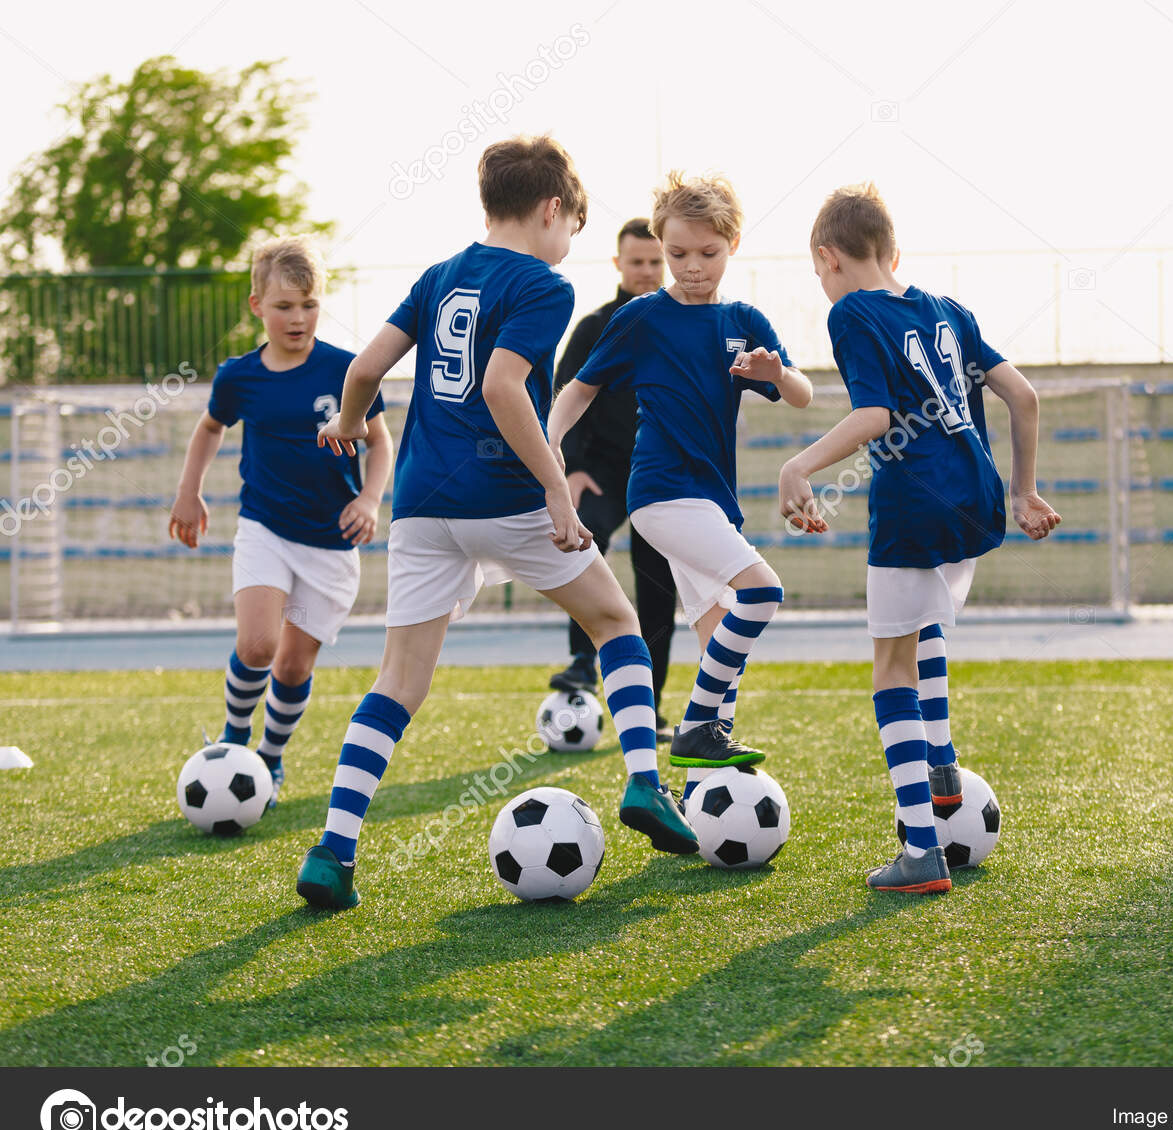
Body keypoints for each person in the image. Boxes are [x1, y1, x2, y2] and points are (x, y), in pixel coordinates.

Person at [295, 136, 697, 911]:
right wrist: (554, 486)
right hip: (506, 497)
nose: (569, 242)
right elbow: (504, 386)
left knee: (400, 681)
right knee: (618, 620)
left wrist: (348, 422)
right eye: (573, 226)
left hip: (420, 506)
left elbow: (364, 371)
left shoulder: (438, 275)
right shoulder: (542, 284)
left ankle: (333, 851)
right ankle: (646, 782)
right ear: (553, 210)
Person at [779, 183, 1061, 893]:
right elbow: (1023, 395)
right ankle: (941, 767)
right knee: (924, 625)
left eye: (818, 272)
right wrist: (1023, 491)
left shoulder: (850, 311)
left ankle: (920, 850)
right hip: (977, 496)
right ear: (892, 250)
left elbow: (875, 414)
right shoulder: (947, 309)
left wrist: (800, 464)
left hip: (915, 500)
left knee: (889, 668)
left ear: (828, 256)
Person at [547, 172, 812, 789]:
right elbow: (582, 384)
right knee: (762, 593)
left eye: (707, 253)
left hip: (713, 500)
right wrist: (551, 439)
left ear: (734, 244)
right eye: (677, 254)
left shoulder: (745, 321)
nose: (692, 267)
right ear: (662, 247)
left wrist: (776, 373)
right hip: (662, 493)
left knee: (718, 635)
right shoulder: (641, 318)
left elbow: (799, 395)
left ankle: (701, 786)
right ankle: (695, 726)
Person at [169, 237, 392, 807]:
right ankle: (234, 739)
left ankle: (269, 760)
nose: (297, 318)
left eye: (309, 304)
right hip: (264, 527)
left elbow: (381, 441)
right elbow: (210, 429)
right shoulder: (239, 376)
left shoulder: (347, 369)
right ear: (256, 307)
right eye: (284, 306)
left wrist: (369, 499)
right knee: (260, 642)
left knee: (293, 666)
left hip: (331, 543)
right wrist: (188, 493)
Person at [548, 218, 677, 743]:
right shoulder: (594, 326)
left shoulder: (680, 322)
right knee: (585, 540)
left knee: (656, 586)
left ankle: (651, 705)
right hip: (599, 468)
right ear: (618, 264)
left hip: (657, 470)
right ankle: (583, 660)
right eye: (637, 262)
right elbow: (563, 393)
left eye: (654, 262)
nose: (646, 271)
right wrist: (572, 467)